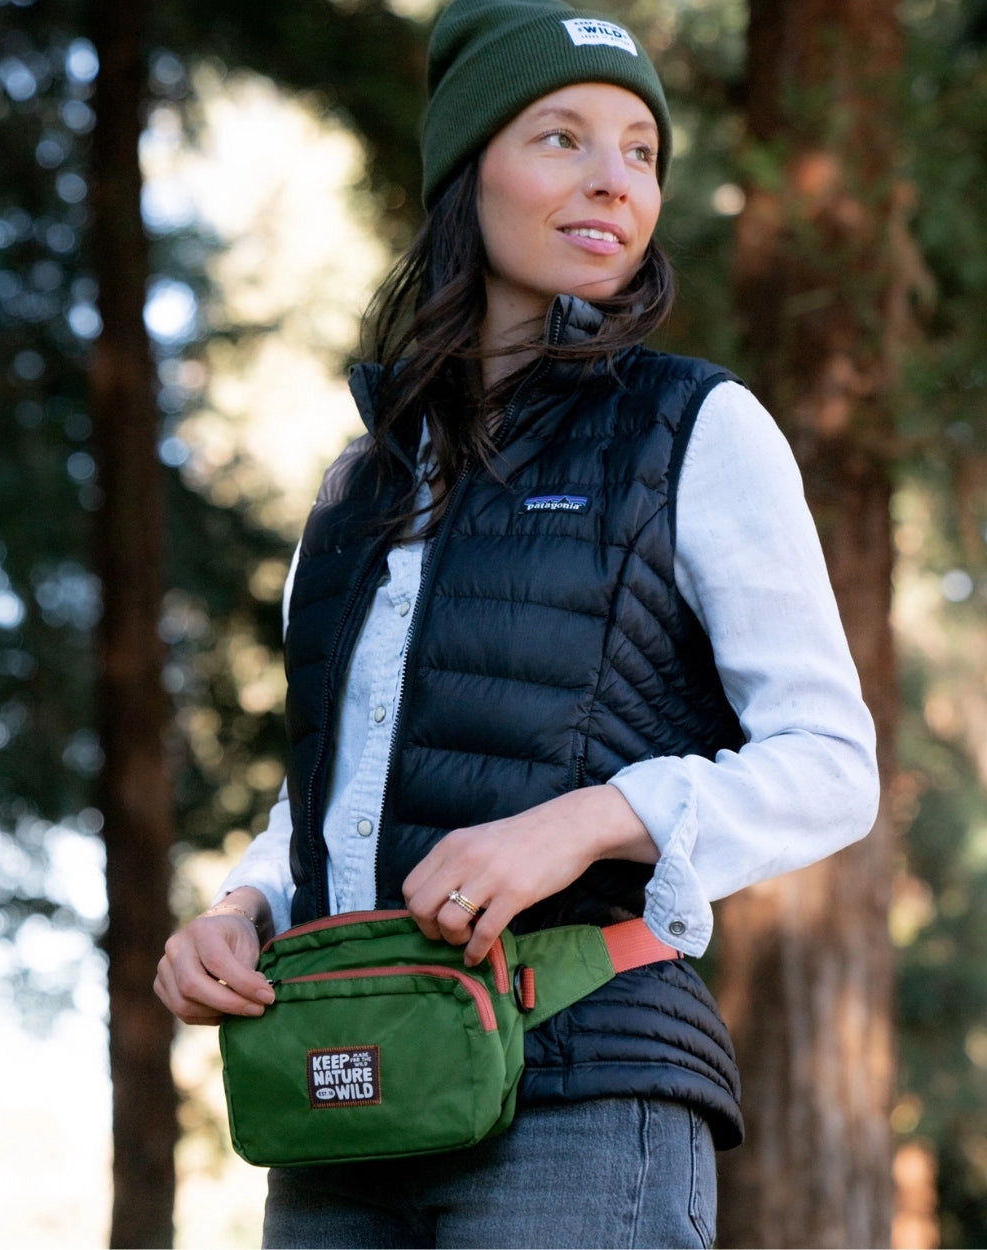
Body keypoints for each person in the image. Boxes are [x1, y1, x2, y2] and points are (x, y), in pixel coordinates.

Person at [155, 0, 879, 1245]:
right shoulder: (352, 488)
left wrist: (580, 824)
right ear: (464, 170)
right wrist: (239, 911)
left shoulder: (695, 428)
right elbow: (331, 789)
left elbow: (832, 765)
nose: (615, 181)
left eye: (641, 151)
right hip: (347, 1091)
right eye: (561, 137)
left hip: (584, 1090)